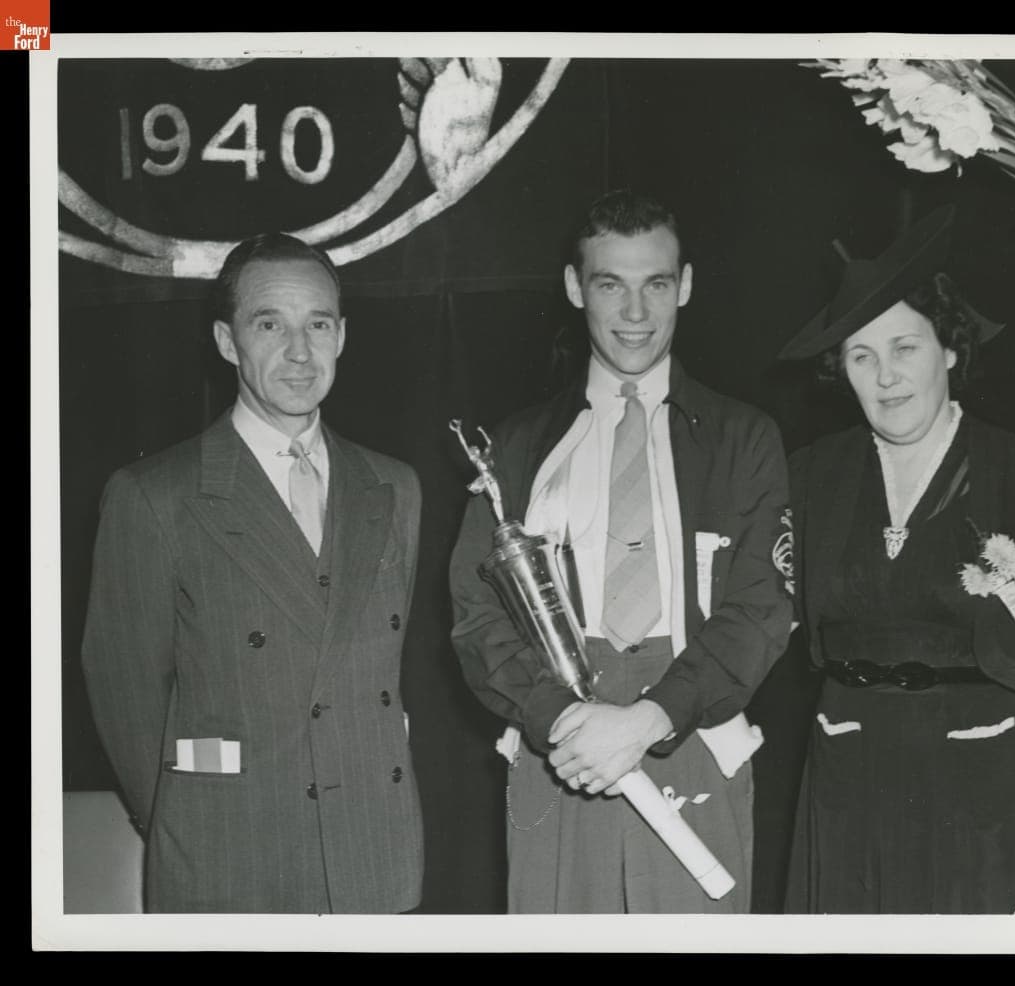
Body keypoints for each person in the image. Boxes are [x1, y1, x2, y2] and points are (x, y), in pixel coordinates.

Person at [449, 190, 793, 913]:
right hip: (560, 748)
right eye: (611, 284)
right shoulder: (517, 446)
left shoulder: (743, 438)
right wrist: (557, 719)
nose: (635, 313)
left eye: (656, 284)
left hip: (693, 727)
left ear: (686, 285)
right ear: (576, 288)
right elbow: (477, 617)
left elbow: (762, 606)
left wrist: (650, 718)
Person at [81, 233, 424, 913]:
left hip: (374, 860)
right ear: (226, 339)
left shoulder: (395, 487)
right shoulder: (156, 496)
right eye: (270, 324)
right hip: (231, 863)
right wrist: (199, 820)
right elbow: (126, 700)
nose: (300, 352)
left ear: (342, 335)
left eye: (318, 324)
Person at [777, 205, 1015, 914]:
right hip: (846, 784)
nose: (886, 376)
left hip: (985, 790)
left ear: (950, 349)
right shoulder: (807, 478)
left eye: (906, 349)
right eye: (862, 356)